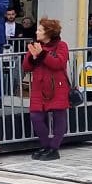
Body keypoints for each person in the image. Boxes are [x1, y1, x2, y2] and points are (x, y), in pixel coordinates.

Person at [22, 18, 70, 160]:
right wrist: (32, 57)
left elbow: (58, 64)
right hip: (39, 85)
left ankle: (54, 148)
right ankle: (46, 145)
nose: (36, 31)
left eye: (40, 30)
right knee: (35, 116)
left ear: (48, 33)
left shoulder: (61, 45)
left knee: (59, 117)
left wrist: (42, 54)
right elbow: (26, 67)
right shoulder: (36, 45)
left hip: (57, 86)